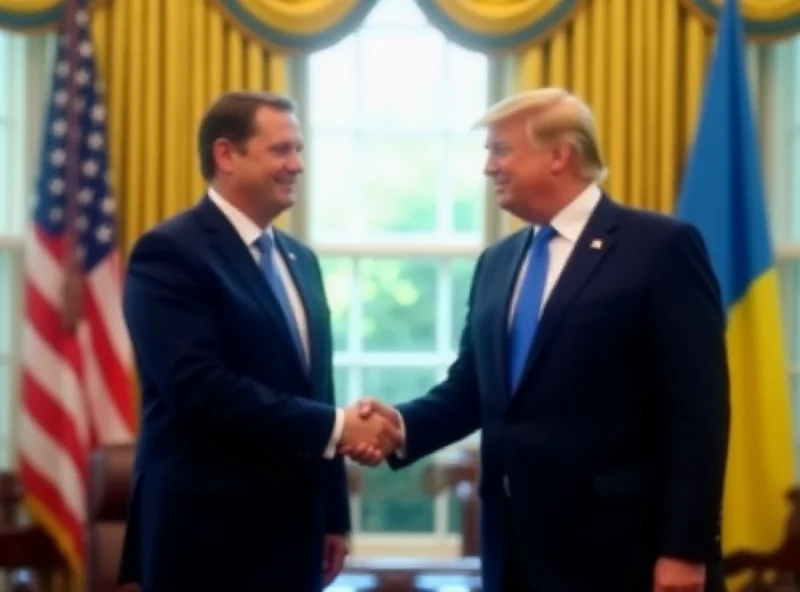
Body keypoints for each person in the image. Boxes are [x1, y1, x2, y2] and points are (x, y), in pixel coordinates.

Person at [345, 88, 730, 592]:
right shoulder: (498, 262)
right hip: (512, 549)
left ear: (559, 154)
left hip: (621, 551)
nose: (488, 167)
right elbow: (471, 390)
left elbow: (698, 414)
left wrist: (685, 552)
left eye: (500, 150)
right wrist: (400, 425)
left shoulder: (659, 247)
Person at [118, 91, 401, 592]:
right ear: (226, 154)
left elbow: (317, 387)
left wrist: (332, 514)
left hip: (297, 533)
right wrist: (340, 426)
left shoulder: (300, 259)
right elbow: (198, 388)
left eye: (299, 150)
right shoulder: (169, 252)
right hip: (205, 534)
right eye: (281, 150)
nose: (298, 165)